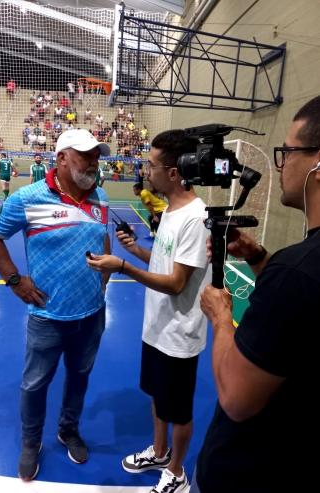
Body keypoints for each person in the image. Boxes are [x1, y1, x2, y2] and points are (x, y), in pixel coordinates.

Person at [190, 95, 320, 493]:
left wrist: (219, 316)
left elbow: (236, 398)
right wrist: (259, 256)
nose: (281, 165)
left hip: (255, 473)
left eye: (289, 152)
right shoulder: (298, 272)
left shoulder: (296, 270)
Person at [0, 129, 111, 482]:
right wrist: (15, 280)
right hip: (48, 317)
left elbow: (104, 240)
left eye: (97, 156)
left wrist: (104, 279)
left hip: (92, 314)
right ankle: (30, 441)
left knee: (79, 377)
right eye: (87, 156)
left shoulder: (100, 197)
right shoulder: (28, 198)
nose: (95, 162)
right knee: (35, 385)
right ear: (62, 158)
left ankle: (68, 429)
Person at [87, 129, 211, 493]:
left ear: (174, 172)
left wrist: (123, 268)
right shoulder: (171, 210)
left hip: (179, 335)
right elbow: (163, 262)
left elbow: (175, 283)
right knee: (157, 394)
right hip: (156, 326)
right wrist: (133, 251)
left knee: (180, 410)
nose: (146, 171)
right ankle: (159, 451)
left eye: (152, 165)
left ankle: (176, 471)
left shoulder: (194, 216)